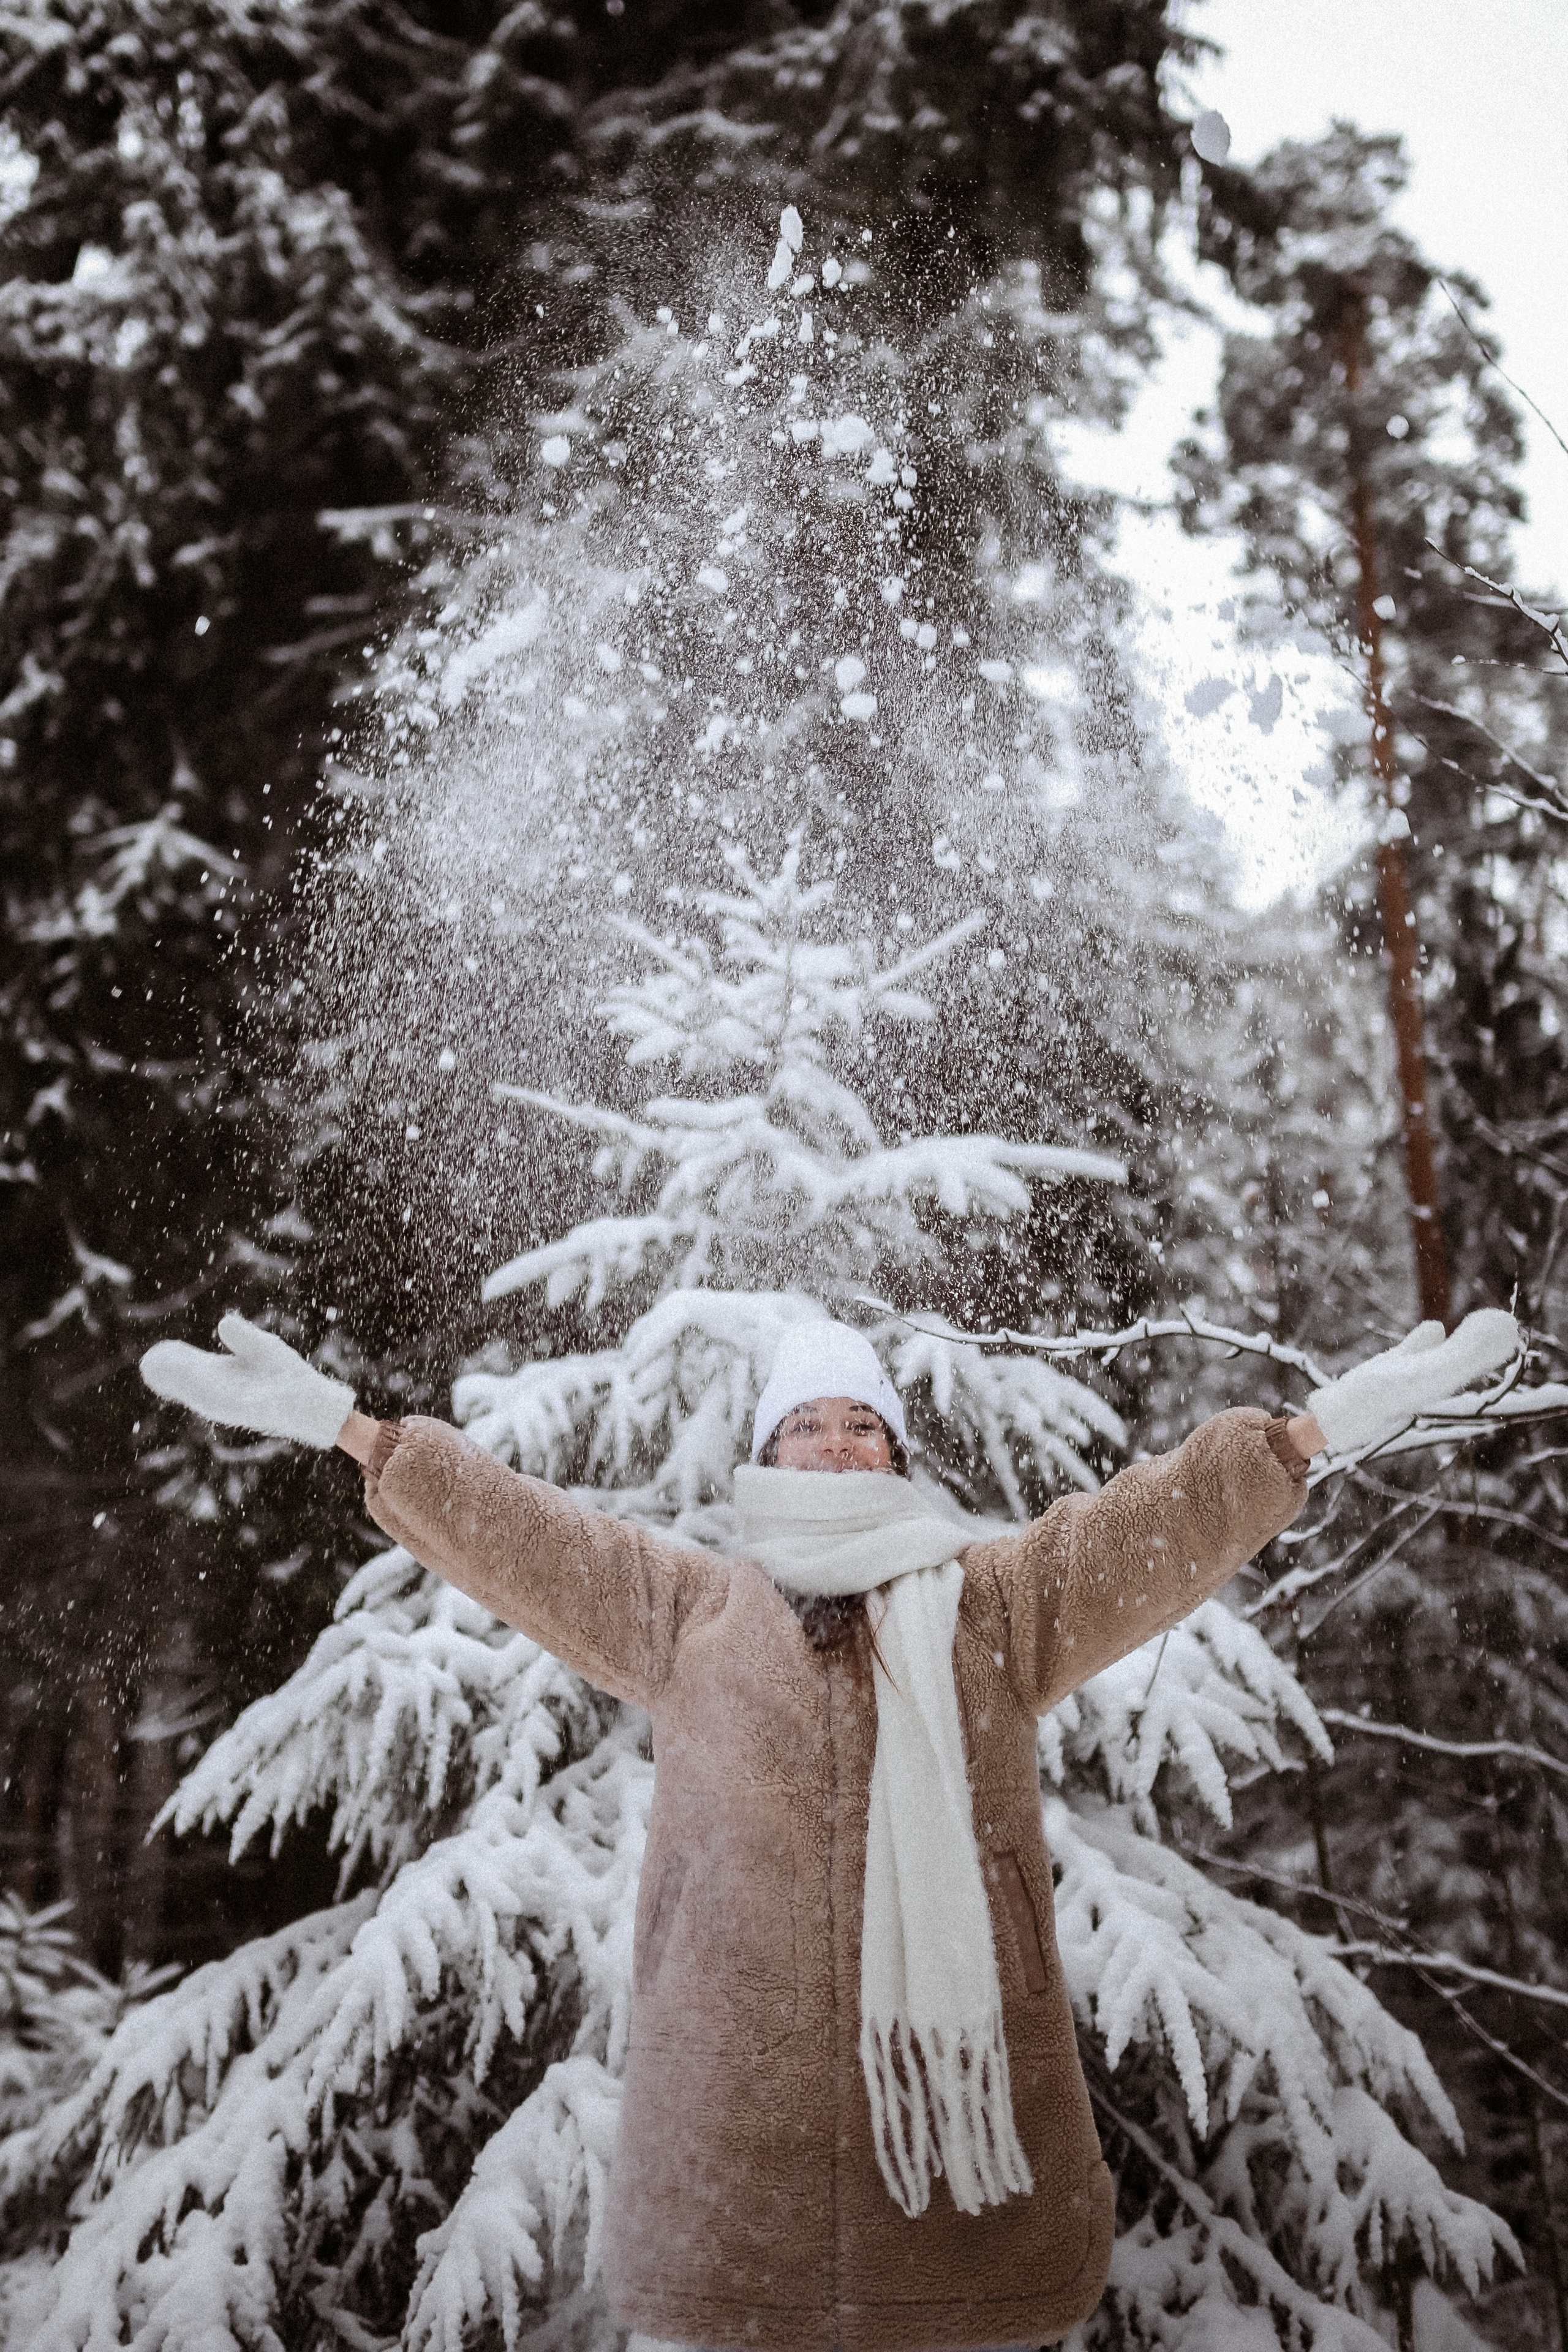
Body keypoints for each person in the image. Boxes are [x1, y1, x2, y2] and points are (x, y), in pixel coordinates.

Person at [141, 1306, 1518, 2350]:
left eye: (865, 1424)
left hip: (962, 2165)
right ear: (767, 1452)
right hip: (739, 2158)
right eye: (810, 1424)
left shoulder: (990, 1608)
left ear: (897, 1453)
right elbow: (529, 1538)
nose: (841, 1444)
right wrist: (360, 1435)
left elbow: (1141, 1527)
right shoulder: (689, 1613)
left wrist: (1302, 1437)